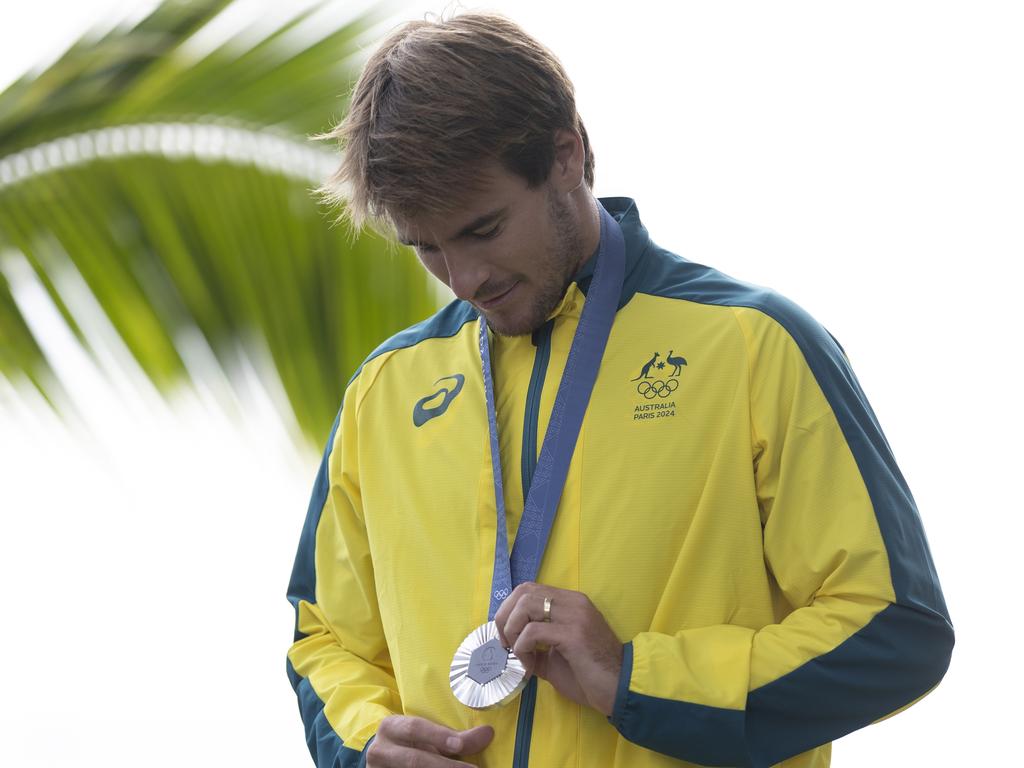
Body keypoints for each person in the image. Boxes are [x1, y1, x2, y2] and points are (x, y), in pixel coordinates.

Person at [285, 11, 953, 768]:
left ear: (566, 155)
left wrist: (640, 678)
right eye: (426, 247)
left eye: (483, 229)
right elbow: (324, 638)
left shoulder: (754, 345)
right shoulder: (383, 392)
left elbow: (896, 631)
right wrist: (366, 741)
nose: (463, 279)